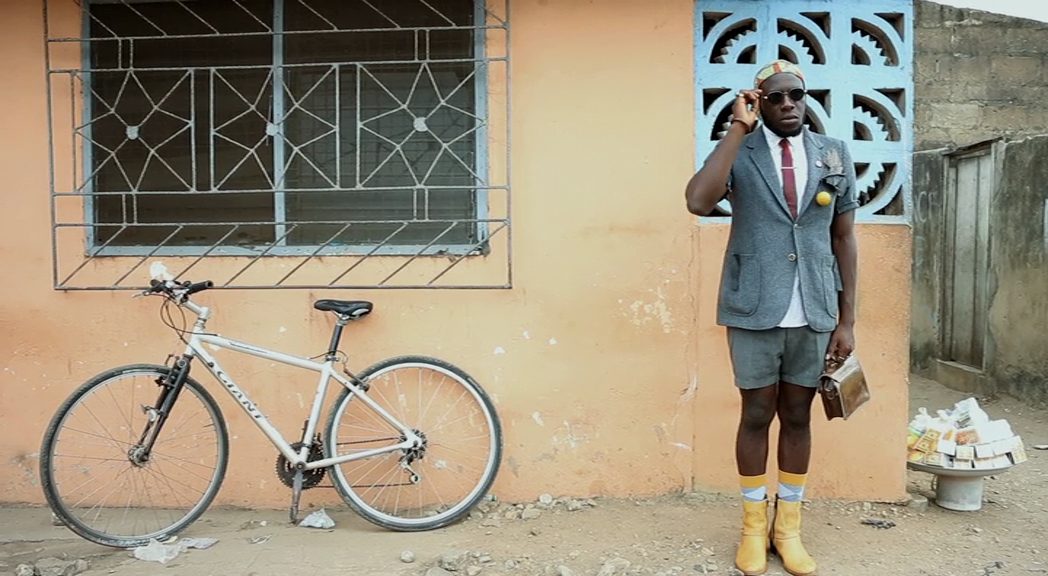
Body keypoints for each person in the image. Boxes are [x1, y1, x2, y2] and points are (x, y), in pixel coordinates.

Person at [684, 60, 858, 576]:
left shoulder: (834, 153)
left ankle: (790, 529)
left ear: (806, 99)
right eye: (775, 98)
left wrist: (847, 321)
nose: (787, 105)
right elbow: (697, 200)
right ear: (759, 101)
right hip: (754, 305)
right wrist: (739, 127)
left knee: (800, 416)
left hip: (815, 307)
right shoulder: (741, 152)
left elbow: (843, 237)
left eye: (795, 96)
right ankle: (753, 528)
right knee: (756, 413)